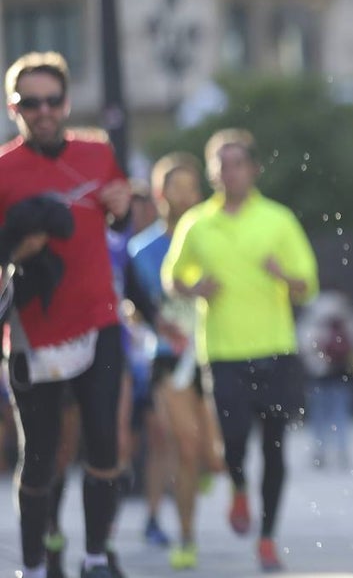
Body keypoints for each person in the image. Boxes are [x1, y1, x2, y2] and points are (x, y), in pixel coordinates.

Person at [162, 128, 318, 573]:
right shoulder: (196, 223)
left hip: (276, 349)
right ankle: (237, 487)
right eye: (220, 164)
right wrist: (193, 287)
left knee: (274, 447)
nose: (228, 172)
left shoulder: (278, 219)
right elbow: (171, 277)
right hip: (223, 352)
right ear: (211, 171)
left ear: (253, 168)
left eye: (236, 163)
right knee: (231, 441)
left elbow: (307, 285)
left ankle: (267, 538)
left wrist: (284, 277)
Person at [1, 52, 133, 578]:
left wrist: (122, 211)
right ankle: (33, 565)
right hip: (34, 331)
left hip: (99, 319)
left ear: (67, 102)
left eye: (52, 100)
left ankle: (96, 557)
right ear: (15, 108)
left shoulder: (99, 152)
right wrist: (17, 246)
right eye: (31, 102)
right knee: (41, 455)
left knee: (104, 442)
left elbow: (120, 224)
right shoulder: (4, 169)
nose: (44, 111)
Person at [128, 152, 225, 569]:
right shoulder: (141, 249)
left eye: (191, 188)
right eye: (175, 187)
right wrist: (156, 324)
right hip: (168, 356)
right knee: (182, 447)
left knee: (214, 455)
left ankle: (207, 464)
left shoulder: (211, 234)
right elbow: (133, 306)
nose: (184, 196)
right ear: (159, 192)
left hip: (215, 350)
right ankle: (185, 536)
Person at [297, 290, 353, 470]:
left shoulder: (312, 314)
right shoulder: (345, 312)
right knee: (341, 410)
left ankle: (320, 449)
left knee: (319, 413)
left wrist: (316, 363)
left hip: (318, 373)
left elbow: (304, 343)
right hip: (341, 370)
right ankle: (341, 447)